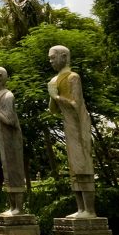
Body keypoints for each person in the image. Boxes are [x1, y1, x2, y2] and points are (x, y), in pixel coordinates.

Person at [47, 45, 97, 218]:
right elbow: (53, 110)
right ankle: (81, 208)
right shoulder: (55, 79)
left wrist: (56, 96)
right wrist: (53, 95)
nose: (51, 61)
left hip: (79, 124)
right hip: (68, 126)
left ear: (64, 56)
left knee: (83, 165)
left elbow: (76, 104)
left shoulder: (73, 77)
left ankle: (89, 210)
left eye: (53, 57)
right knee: (74, 168)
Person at [0, 66, 27, 215]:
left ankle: (19, 207)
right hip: (2, 138)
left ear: (0, 76)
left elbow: (10, 120)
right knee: (7, 171)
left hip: (12, 138)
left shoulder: (7, 96)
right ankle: (12, 207)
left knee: (15, 169)